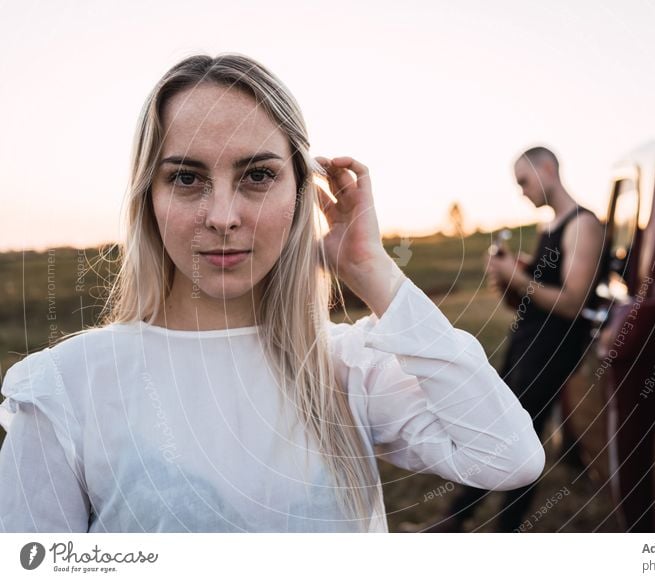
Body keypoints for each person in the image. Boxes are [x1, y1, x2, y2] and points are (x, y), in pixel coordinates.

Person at [0, 54, 545, 533]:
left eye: (257, 175)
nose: (222, 217)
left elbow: (507, 456)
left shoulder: (343, 368)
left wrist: (369, 267)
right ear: (149, 198)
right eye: (187, 178)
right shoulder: (65, 389)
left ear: (301, 192)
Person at [430, 146, 603, 532]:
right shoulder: (549, 227)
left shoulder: (583, 225)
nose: (522, 191)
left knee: (518, 438)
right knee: (500, 428)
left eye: (524, 180)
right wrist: (510, 281)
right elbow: (534, 297)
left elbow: (573, 303)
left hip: (554, 349)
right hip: (527, 343)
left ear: (547, 168)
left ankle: (483, 526)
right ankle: (460, 520)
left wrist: (518, 276)